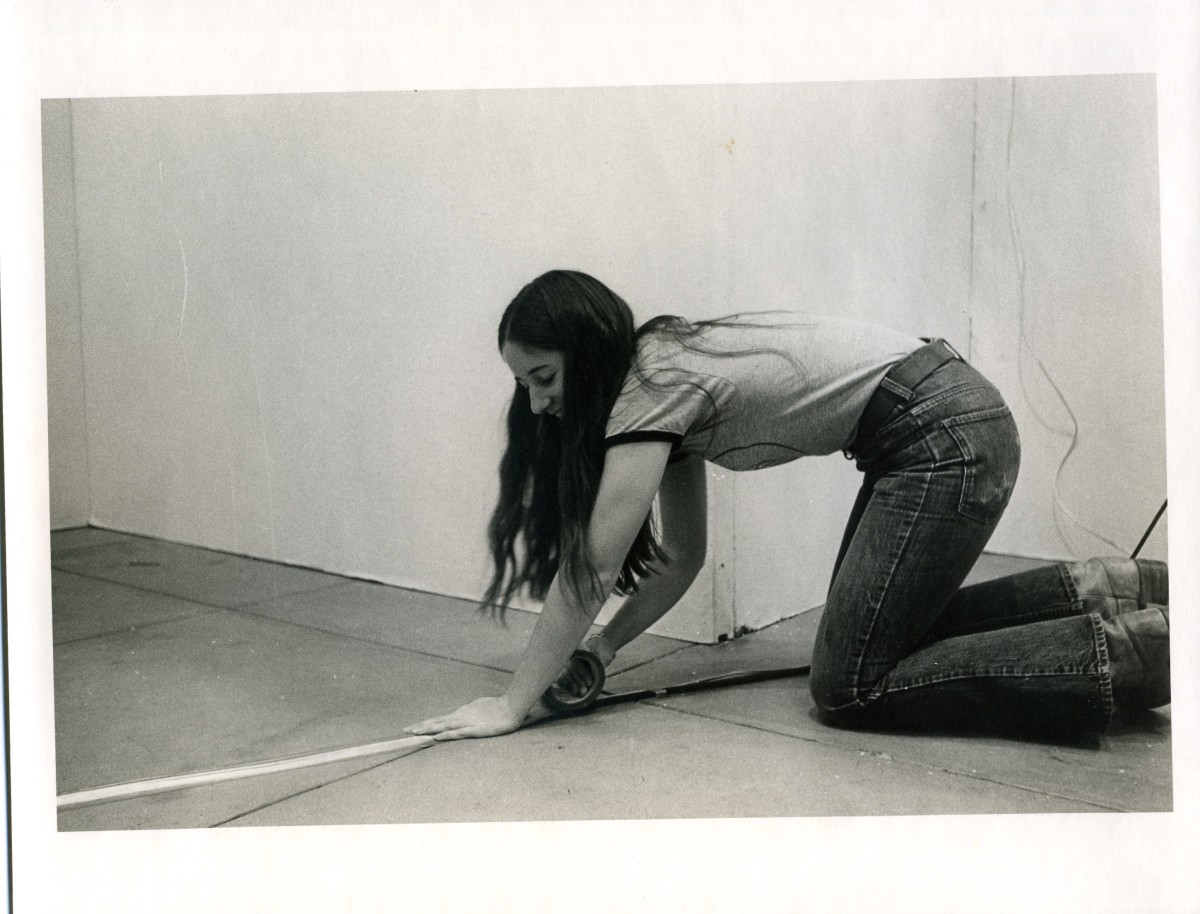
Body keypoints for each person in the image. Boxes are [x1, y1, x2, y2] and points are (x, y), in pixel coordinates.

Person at [405, 270, 1169, 742]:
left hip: (942, 433)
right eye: (524, 387)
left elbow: (594, 567)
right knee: (882, 633)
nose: (538, 404)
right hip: (939, 421)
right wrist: (600, 651)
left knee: (850, 683)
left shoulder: (647, 389)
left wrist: (513, 702)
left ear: (588, 350)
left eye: (544, 377)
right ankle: (1111, 591)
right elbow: (683, 556)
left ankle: (1137, 653)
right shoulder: (663, 378)